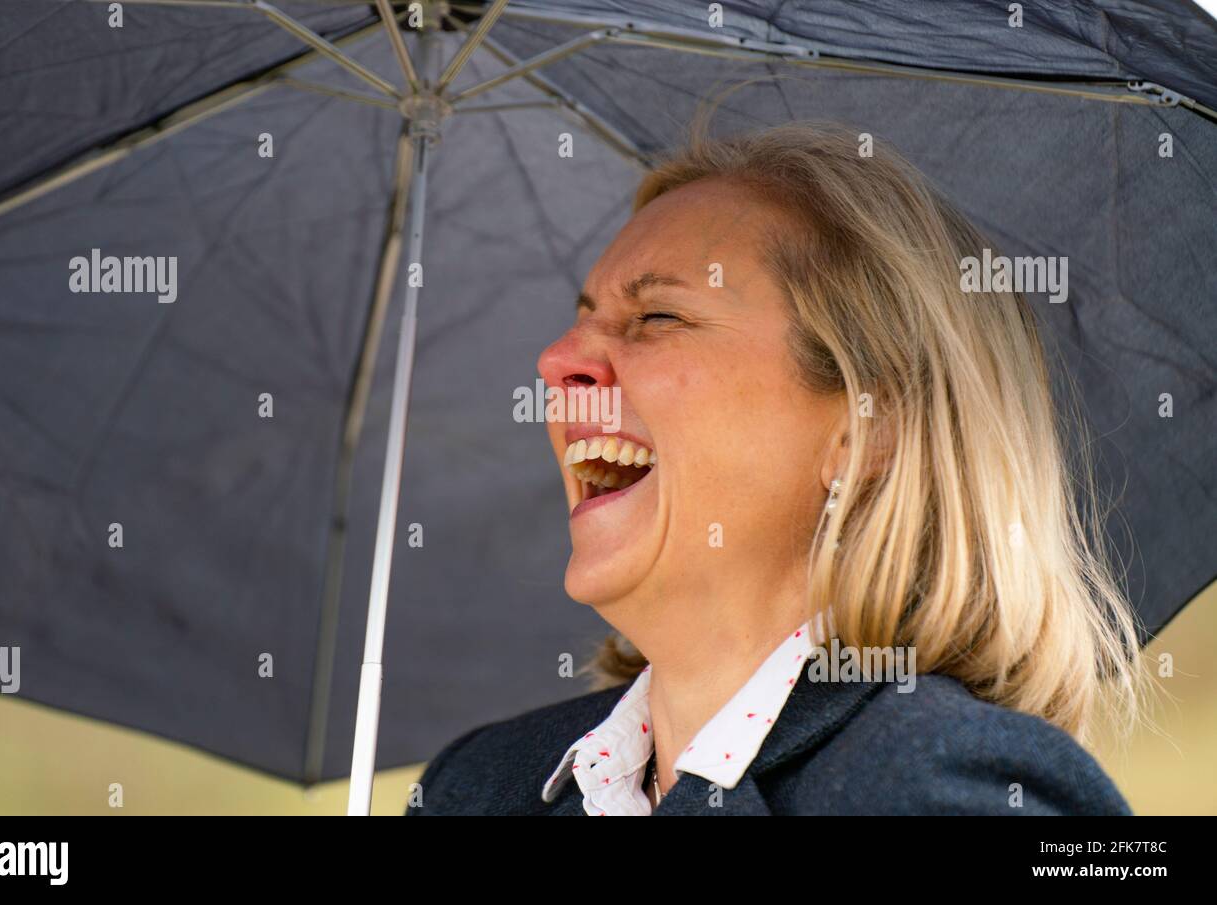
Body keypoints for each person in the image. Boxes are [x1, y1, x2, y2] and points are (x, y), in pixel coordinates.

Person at [404, 119, 1146, 816]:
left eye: (657, 317)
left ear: (867, 426)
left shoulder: (949, 785)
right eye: (579, 322)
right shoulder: (471, 787)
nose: (556, 361)